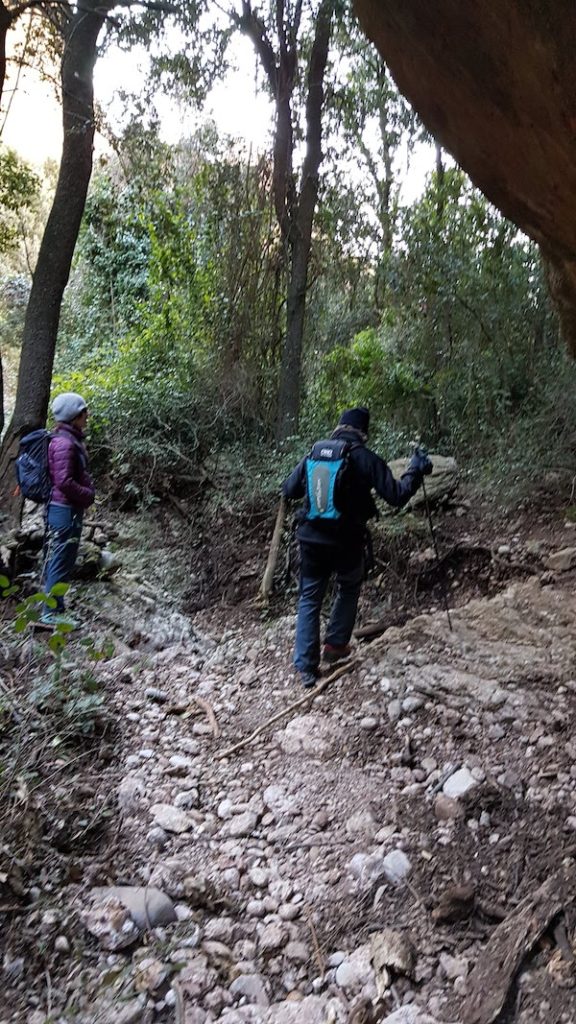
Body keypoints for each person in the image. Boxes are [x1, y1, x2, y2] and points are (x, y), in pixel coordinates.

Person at [282, 406, 432, 687]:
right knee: (348, 587)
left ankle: (306, 668)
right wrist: (415, 469)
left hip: (311, 541)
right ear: (363, 432)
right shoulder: (365, 458)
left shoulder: (314, 453)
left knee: (310, 598)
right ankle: (336, 645)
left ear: (339, 427)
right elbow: (397, 496)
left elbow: (289, 489)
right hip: (347, 541)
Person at [40, 392, 95, 628]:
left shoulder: (68, 439)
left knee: (63, 559)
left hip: (65, 508)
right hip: (64, 510)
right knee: (61, 560)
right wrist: (88, 495)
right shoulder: (64, 443)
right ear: (75, 416)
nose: (87, 415)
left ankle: (55, 608)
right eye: (84, 412)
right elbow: (63, 481)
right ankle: (50, 613)